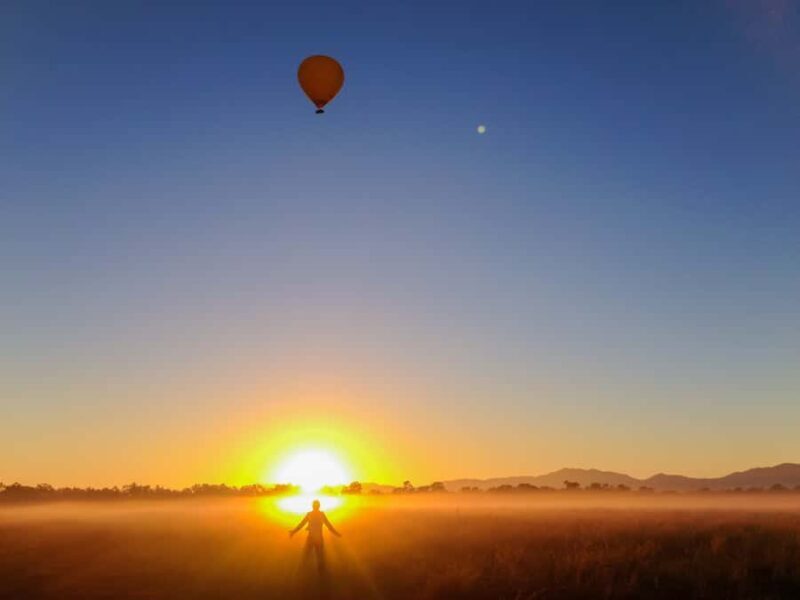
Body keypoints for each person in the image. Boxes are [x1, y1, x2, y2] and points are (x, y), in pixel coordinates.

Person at [289, 499, 341, 572]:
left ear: (313, 506)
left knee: (308, 556)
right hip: (316, 538)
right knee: (317, 556)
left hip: (313, 538)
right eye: (316, 505)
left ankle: (302, 572)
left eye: (315, 505)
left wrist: (293, 531)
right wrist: (337, 534)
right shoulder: (320, 514)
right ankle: (313, 573)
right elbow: (329, 525)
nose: (316, 506)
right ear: (318, 506)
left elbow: (301, 524)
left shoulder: (311, 514)